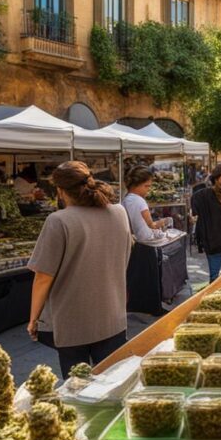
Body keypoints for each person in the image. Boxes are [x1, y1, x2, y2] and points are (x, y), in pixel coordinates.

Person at [26, 161, 132, 377]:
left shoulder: (58, 221)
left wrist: (33, 318)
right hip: (113, 313)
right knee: (113, 383)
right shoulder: (119, 212)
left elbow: (43, 277)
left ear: (60, 191)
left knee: (78, 388)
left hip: (73, 321)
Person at [192, 164, 221, 284]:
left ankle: (213, 283)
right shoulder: (211, 194)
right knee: (215, 271)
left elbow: (194, 208)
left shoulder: (202, 194)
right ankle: (213, 288)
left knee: (214, 265)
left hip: (209, 235)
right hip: (217, 236)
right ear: (219, 178)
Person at [121, 166, 167, 242]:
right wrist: (162, 222)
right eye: (146, 186)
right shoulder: (140, 201)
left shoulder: (125, 200)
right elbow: (151, 225)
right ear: (136, 185)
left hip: (133, 241)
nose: (148, 189)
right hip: (145, 242)